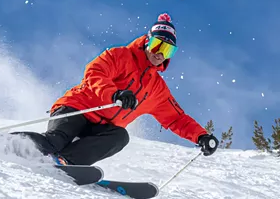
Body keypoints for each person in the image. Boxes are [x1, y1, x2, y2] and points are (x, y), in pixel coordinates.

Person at [11, 13, 219, 165]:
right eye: (157, 45)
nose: (159, 53)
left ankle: (63, 162)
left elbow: (176, 119)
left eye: (167, 49)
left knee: (120, 137)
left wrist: (201, 136)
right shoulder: (121, 56)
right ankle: (5, 143)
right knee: (55, 141)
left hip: (100, 128)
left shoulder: (157, 89)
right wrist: (114, 93)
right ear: (147, 41)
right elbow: (95, 72)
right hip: (78, 108)